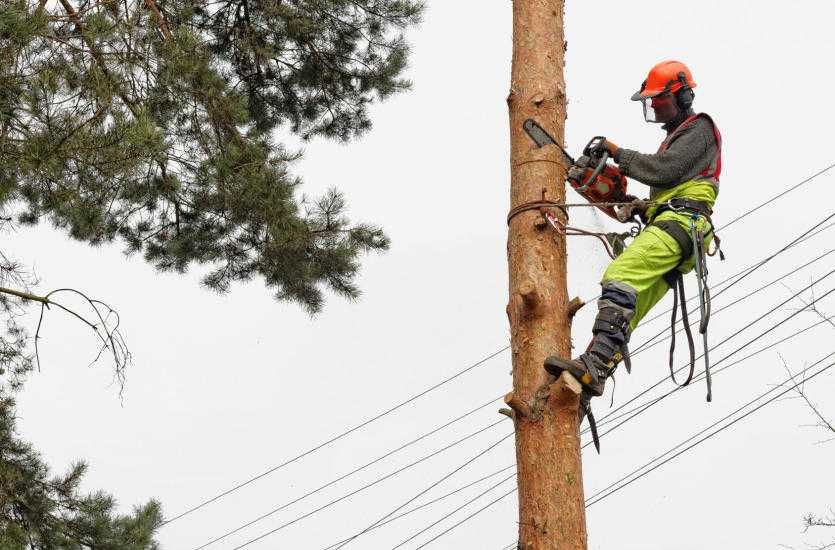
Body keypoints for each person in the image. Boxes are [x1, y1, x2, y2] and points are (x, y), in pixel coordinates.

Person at [543, 60, 723, 408]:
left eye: (661, 99)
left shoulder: (699, 127)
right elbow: (668, 185)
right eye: (652, 100)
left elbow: (663, 171)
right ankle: (591, 371)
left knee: (620, 275)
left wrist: (615, 152)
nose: (654, 105)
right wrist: (634, 205)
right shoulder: (675, 139)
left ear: (684, 95)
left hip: (682, 224)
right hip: (675, 225)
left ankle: (592, 369)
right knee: (632, 305)